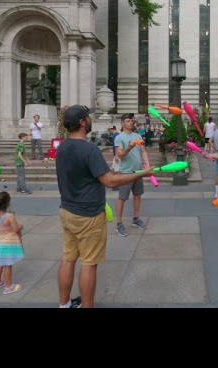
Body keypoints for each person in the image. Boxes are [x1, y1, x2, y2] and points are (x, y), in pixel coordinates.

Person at [55, 105, 154, 308]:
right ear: (82, 122)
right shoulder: (89, 149)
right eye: (87, 117)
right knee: (89, 264)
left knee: (68, 258)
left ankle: (64, 305)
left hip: (67, 211)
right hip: (89, 215)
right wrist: (141, 174)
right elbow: (109, 181)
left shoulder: (63, 147)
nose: (90, 119)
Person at [114, 113, 151, 237]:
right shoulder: (119, 138)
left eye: (131, 120)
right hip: (126, 173)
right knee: (122, 198)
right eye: (128, 120)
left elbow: (143, 151)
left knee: (138, 196)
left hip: (138, 171)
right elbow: (120, 155)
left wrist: (147, 165)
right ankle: (119, 223)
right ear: (123, 123)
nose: (130, 122)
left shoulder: (137, 135)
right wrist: (129, 147)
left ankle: (136, 219)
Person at [0, 191, 25, 294]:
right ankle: (8, 286)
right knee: (8, 264)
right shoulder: (10, 216)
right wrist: (21, 226)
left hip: (0, 242)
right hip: (9, 243)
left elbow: (0, 228)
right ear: (7, 204)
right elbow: (15, 229)